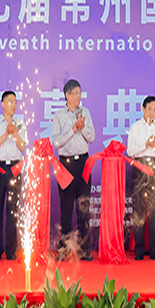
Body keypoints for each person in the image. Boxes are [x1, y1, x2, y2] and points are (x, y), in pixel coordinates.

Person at [51, 79, 95, 260]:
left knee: (84, 208)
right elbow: (56, 141)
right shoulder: (59, 116)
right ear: (67, 95)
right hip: (66, 165)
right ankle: (64, 249)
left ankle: (85, 250)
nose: (78, 96)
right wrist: (73, 129)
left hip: (83, 163)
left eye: (80, 93)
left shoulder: (85, 112)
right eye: (75, 93)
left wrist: (82, 128)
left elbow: (91, 137)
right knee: (66, 208)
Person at [127, 95, 155, 260]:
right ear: (143, 109)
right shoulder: (135, 127)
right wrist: (145, 145)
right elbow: (130, 150)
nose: (152, 112)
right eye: (150, 109)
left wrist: (154, 146)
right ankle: (139, 251)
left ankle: (154, 251)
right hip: (139, 167)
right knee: (138, 208)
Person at [0, 90, 26, 261]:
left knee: (12, 212)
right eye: (10, 101)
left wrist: (15, 133)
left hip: (15, 169)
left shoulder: (20, 124)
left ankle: (11, 251)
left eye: (15, 102)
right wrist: (6, 134)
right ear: (2, 104)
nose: (13, 105)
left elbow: (22, 146)